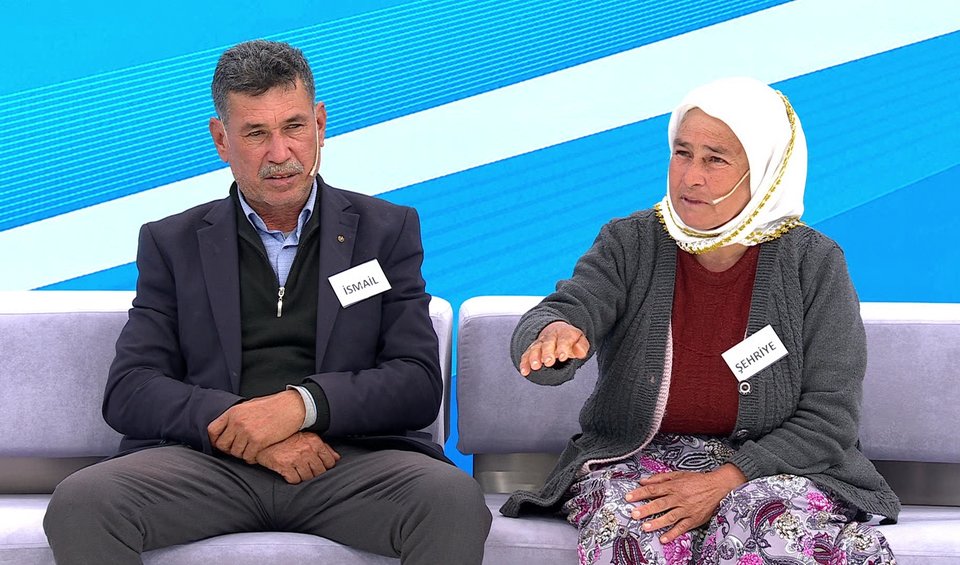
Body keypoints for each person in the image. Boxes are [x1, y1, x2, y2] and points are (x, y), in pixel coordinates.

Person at [42, 39, 490, 564]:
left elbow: (415, 382)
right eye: (256, 133)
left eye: (294, 127)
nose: (280, 154)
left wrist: (299, 407)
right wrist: (245, 426)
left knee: (451, 500)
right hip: (211, 465)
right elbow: (131, 389)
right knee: (82, 503)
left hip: (347, 462)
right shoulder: (172, 242)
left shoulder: (385, 231)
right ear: (221, 139)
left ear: (320, 124)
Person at [503, 77, 898, 563]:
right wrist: (553, 334)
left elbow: (830, 419)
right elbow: (568, 307)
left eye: (715, 160)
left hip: (781, 467)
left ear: (766, 170)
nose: (690, 177)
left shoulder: (814, 263)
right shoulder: (630, 242)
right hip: (640, 458)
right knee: (633, 528)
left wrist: (727, 480)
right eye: (682, 153)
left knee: (764, 523)